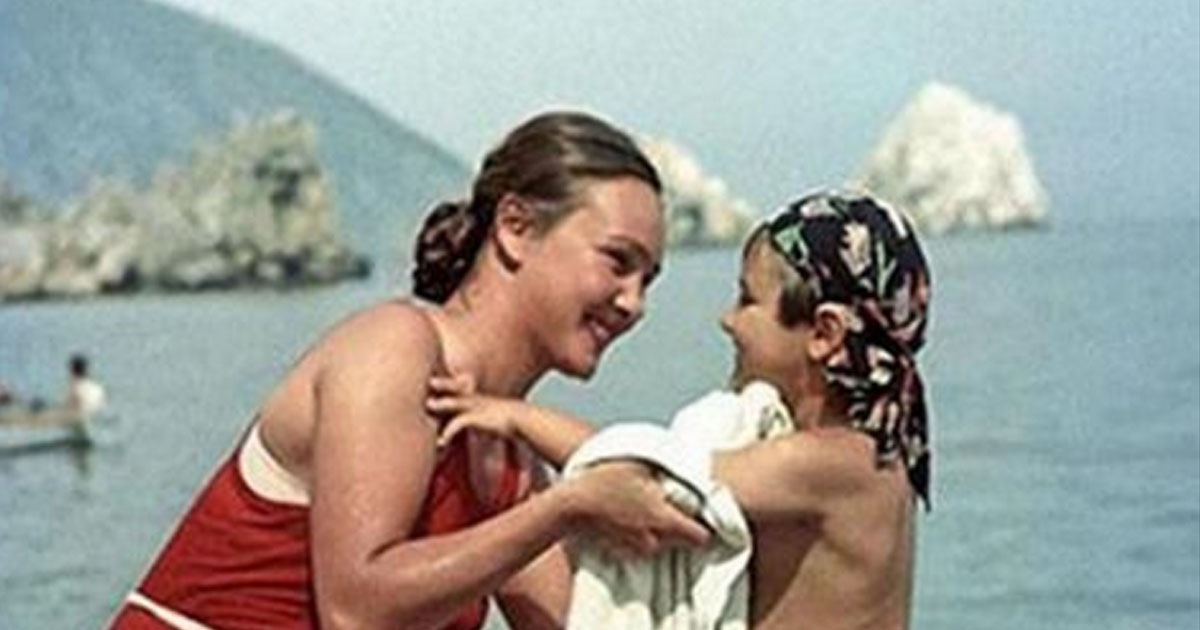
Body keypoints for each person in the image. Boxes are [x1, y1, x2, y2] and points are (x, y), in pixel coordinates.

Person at [108, 111, 708, 630]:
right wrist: (568, 508)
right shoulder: (393, 349)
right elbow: (357, 612)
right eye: (617, 262)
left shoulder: (510, 465)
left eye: (648, 280)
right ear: (516, 228)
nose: (634, 303)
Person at [430, 190, 932, 629]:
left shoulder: (836, 464)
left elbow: (648, 473)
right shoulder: (870, 459)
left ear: (824, 334)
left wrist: (514, 416)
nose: (728, 320)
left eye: (747, 300)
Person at [66, 353, 107, 420]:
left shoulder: (75, 390)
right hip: (97, 415)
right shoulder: (98, 388)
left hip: (80, 417)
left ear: (72, 371)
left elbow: (68, 410)